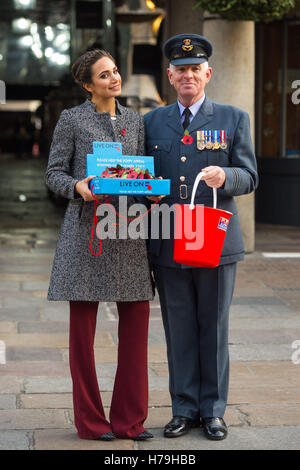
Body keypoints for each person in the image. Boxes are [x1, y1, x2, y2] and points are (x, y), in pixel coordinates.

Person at [144, 34, 258, 441]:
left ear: (208, 73)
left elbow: (250, 176)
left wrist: (226, 175)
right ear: (170, 75)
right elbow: (140, 175)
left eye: (196, 69)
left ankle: (213, 411)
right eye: (181, 69)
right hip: (170, 239)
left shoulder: (233, 118)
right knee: (178, 328)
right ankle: (183, 409)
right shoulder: (152, 122)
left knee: (213, 326)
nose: (188, 75)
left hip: (215, 240)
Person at [45, 49, 154, 441]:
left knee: (137, 322)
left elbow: (141, 171)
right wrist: (77, 186)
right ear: (88, 84)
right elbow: (54, 173)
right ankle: (91, 423)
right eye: (105, 75)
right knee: (82, 335)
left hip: (127, 234)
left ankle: (130, 422)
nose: (115, 78)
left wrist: (151, 194)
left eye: (115, 71)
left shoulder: (135, 121)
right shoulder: (71, 120)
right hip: (86, 234)